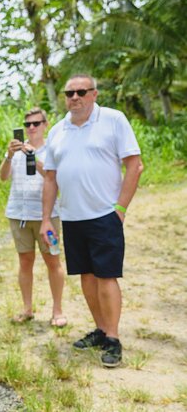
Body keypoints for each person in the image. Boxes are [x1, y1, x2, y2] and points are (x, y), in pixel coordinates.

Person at [40, 74, 143, 368]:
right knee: (86, 276)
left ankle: (113, 338)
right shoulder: (58, 131)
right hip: (72, 217)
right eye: (69, 93)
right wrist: (47, 219)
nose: (74, 97)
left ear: (94, 94)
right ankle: (100, 329)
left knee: (106, 276)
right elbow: (50, 178)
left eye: (81, 92)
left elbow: (134, 165)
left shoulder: (113, 120)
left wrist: (120, 209)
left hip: (104, 216)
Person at [0, 108, 66, 327]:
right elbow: (2, 177)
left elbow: (51, 176)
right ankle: (27, 308)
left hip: (48, 215)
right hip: (19, 214)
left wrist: (33, 156)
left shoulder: (52, 150)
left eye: (36, 123)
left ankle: (57, 311)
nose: (31, 128)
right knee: (25, 261)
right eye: (27, 124)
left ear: (45, 124)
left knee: (53, 260)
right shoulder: (16, 150)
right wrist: (10, 155)